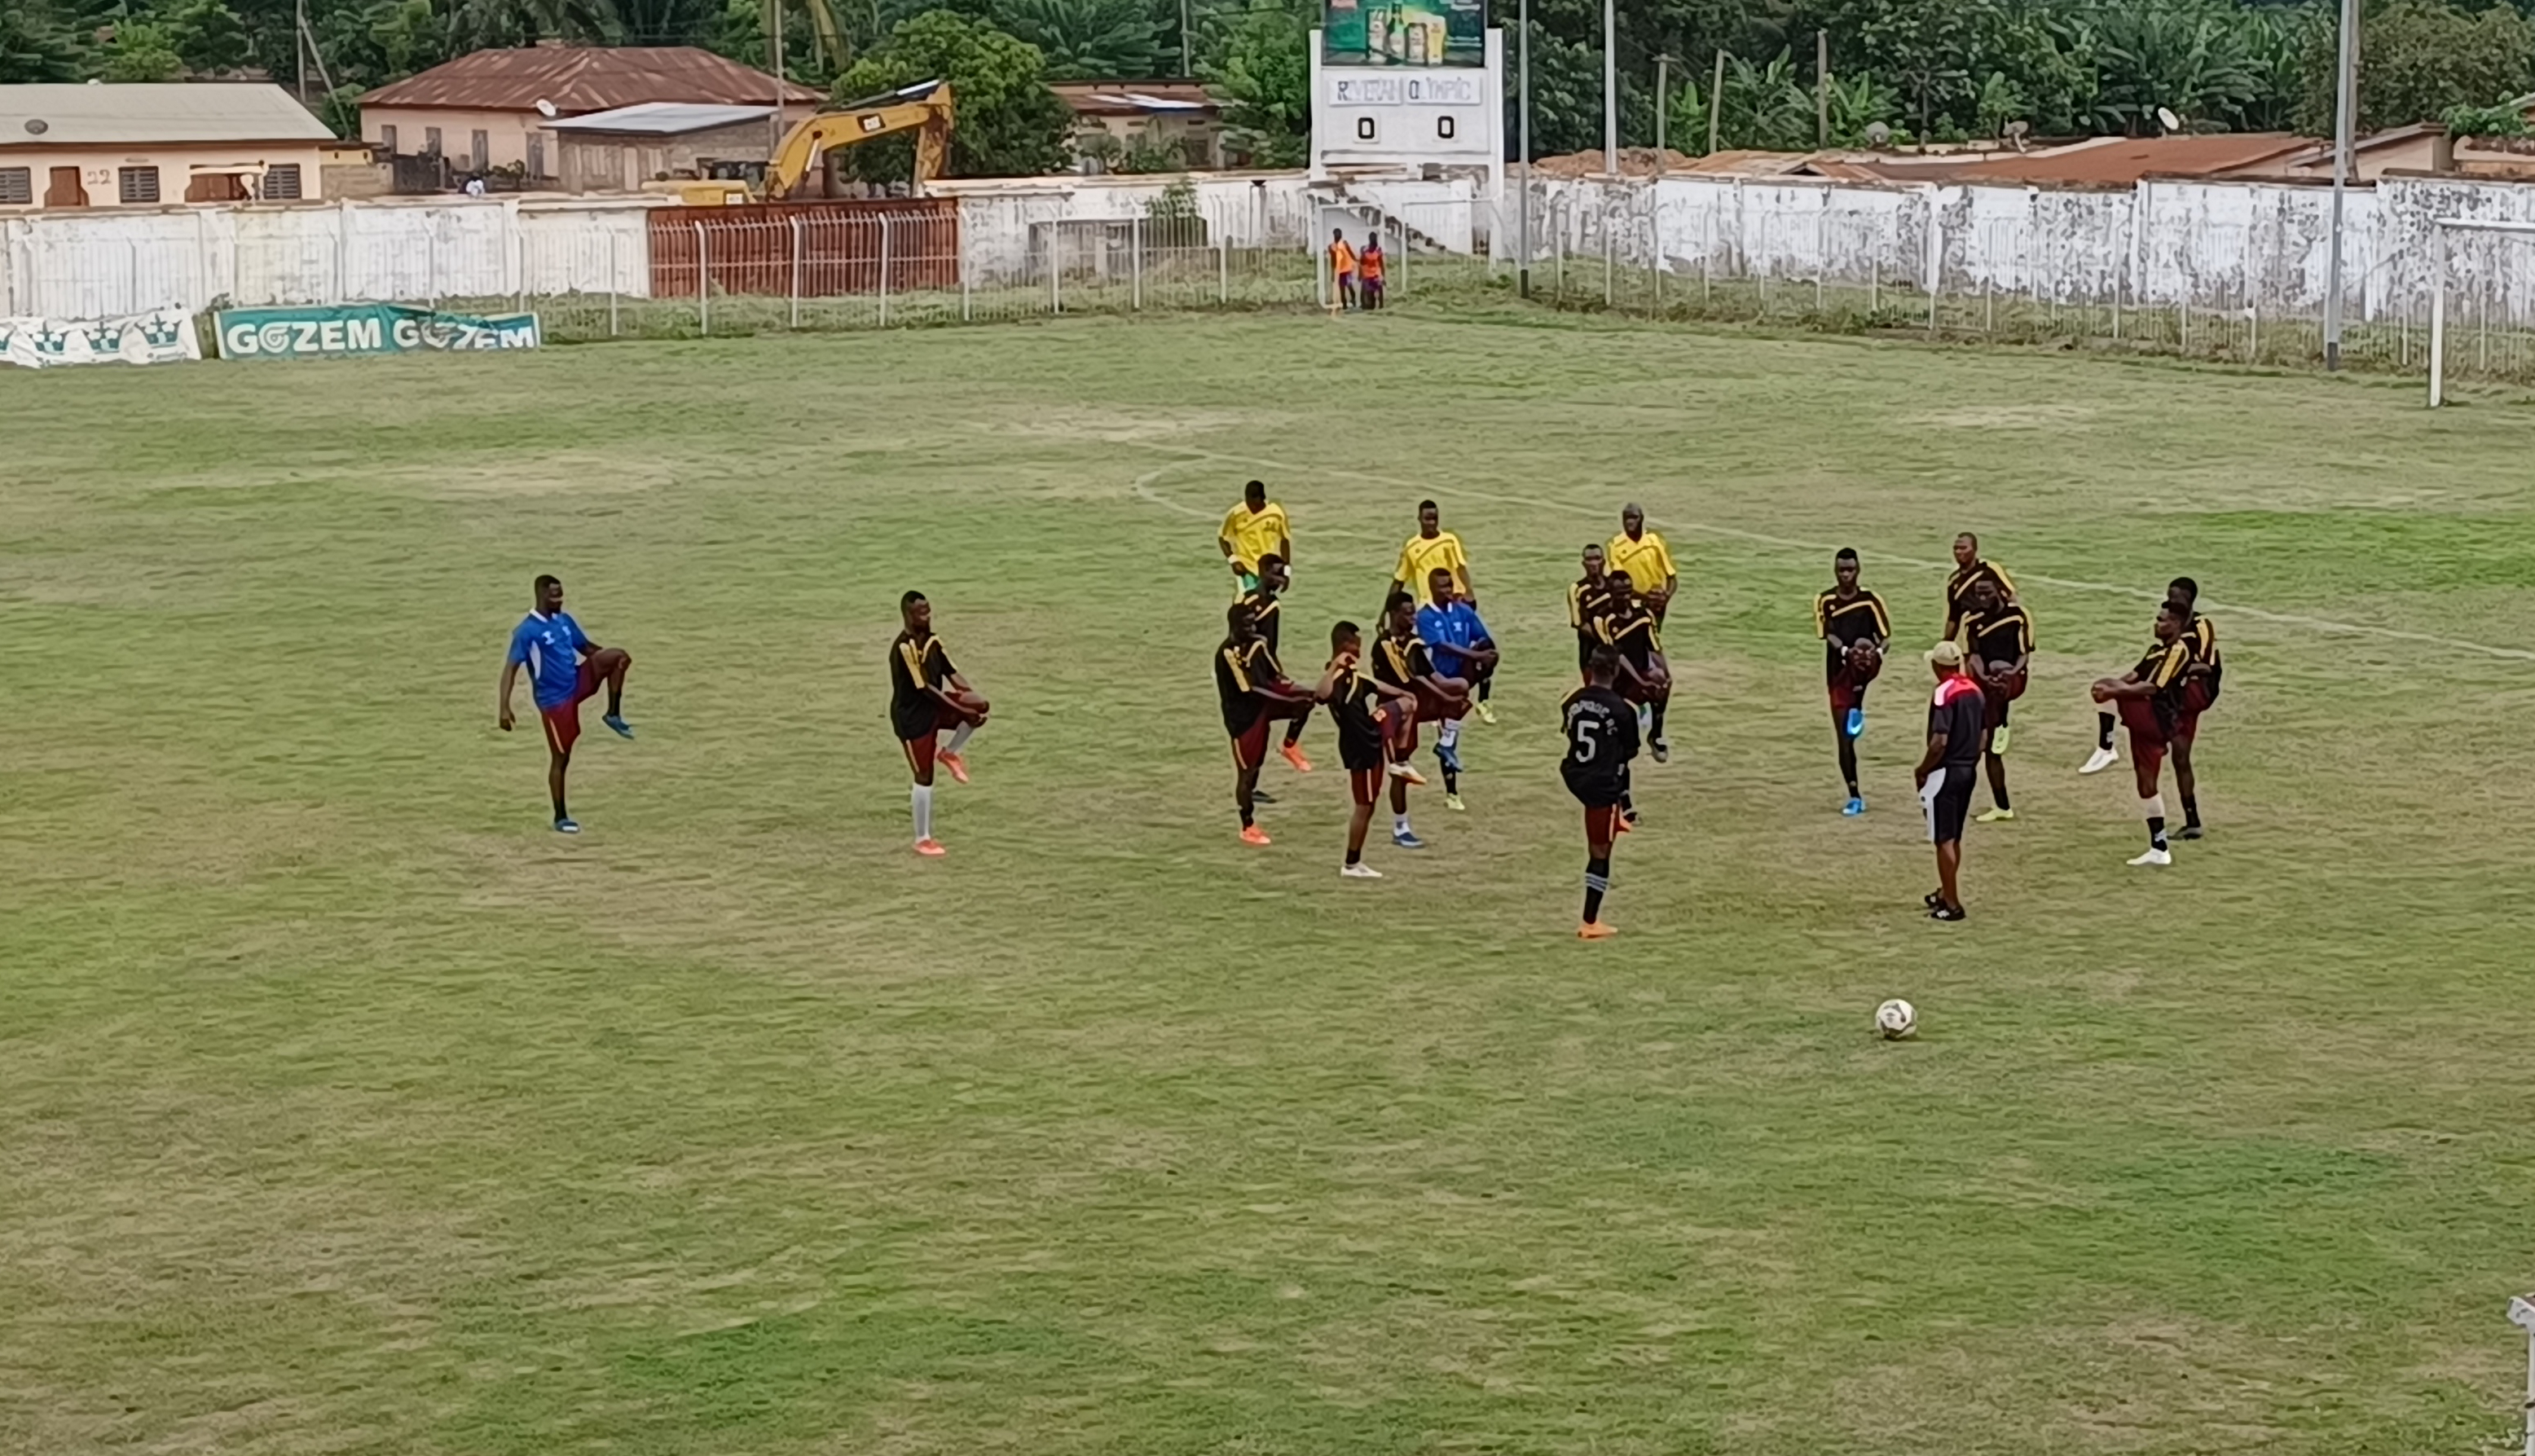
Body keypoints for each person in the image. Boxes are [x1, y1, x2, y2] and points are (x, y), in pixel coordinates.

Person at [497, 574, 633, 835]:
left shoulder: (565, 621)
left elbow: (588, 650)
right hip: (554, 700)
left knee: (618, 657)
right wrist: (504, 707)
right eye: (553, 595)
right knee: (562, 757)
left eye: (561, 594)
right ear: (540, 595)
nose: (559, 599)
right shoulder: (527, 632)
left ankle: (612, 715)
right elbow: (510, 670)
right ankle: (561, 817)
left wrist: (609, 663)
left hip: (577, 681)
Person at [2090, 600, 2193, 867]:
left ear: (2177, 625)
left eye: (2163, 620)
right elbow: (2135, 675)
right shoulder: (2156, 651)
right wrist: (2115, 686)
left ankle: (2107, 747)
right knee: (2147, 786)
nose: (2157, 624)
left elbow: (2152, 687)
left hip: (2156, 719)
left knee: (2106, 689)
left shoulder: (2178, 651)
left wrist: (2114, 691)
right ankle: (2159, 847)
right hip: (2146, 722)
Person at [887, 590, 989, 856]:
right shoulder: (904, 647)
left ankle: (949, 753)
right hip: (912, 717)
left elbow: (951, 672)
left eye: (928, 610)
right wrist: (961, 709)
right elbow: (926, 689)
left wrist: (970, 698)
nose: (927, 616)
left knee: (980, 709)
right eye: (921, 613)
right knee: (924, 776)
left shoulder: (933, 642)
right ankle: (922, 838)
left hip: (935, 707)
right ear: (908, 616)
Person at [1318, 620, 1419, 878]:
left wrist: (1406, 694)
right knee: (1364, 806)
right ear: (1346, 645)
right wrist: (1332, 668)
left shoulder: (1354, 677)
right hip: (1359, 747)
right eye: (1356, 644)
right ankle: (1351, 864)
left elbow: (1377, 686)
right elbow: (1321, 695)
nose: (1360, 649)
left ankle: (1400, 761)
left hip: (1371, 737)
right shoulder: (1338, 677)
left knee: (1406, 703)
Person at [1217, 600, 1318, 846]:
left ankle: (1289, 745)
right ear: (1233, 625)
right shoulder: (1227, 653)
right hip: (1243, 716)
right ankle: (1247, 825)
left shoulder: (1257, 644)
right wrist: (1286, 698)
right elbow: (1252, 691)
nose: (1252, 628)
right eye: (1246, 624)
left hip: (1264, 703)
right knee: (1247, 771)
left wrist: (1299, 692)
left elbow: (1275, 675)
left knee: (1306, 701)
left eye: (1253, 623)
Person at [1371, 590, 1464, 848]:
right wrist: (1444, 696)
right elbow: (1412, 678)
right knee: (1400, 770)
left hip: (1417, 701)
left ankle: (1446, 742)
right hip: (1396, 709)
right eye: (1408, 613)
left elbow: (1430, 675)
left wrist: (1452, 688)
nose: (1414, 617)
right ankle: (1401, 828)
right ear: (1393, 614)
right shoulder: (1385, 645)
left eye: (1414, 612)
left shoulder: (1413, 641)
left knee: (1461, 690)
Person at [1561, 646, 1641, 940]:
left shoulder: (1570, 700)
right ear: (1616, 671)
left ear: (1590, 668)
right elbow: (1630, 751)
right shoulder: (1623, 709)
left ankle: (1617, 814)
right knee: (1600, 852)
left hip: (1574, 773)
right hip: (1600, 786)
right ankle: (1590, 921)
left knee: (1614, 763)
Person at [1813, 548, 1890, 816]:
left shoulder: (1870, 600)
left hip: (1865, 670)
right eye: (1841, 570)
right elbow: (1828, 635)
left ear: (1858, 570)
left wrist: (1875, 654)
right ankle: (1854, 795)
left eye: (1851, 570)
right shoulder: (1825, 600)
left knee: (1851, 716)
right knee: (1844, 739)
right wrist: (1846, 651)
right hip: (1838, 672)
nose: (1846, 575)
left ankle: (1857, 707)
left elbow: (1885, 636)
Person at [1912, 641, 1985, 922]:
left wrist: (1922, 769)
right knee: (1954, 837)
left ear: (1937, 666)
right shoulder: (1975, 690)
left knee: (1943, 839)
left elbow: (1939, 741)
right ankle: (1946, 890)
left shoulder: (1943, 693)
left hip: (1945, 772)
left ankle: (1952, 904)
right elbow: (1983, 737)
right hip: (1968, 769)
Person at [1415, 567, 1499, 809]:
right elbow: (1441, 647)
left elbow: (1483, 639)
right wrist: (1475, 654)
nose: (1448, 591)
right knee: (1447, 736)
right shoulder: (1425, 617)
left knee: (1490, 651)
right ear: (1432, 588)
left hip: (1461, 678)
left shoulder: (1462, 611)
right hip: (1437, 680)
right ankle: (1450, 791)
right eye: (1443, 587)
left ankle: (1484, 700)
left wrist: (1486, 654)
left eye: (1450, 585)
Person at [1957, 574, 2033, 824]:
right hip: (1984, 682)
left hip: (2008, 680)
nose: (1982, 598)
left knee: (1988, 746)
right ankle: (2000, 804)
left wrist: (2010, 673)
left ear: (1999, 591)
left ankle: (1998, 725)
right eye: (1978, 594)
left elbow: (2024, 653)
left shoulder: (2017, 616)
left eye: (1986, 593)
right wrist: (1984, 677)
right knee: (1983, 747)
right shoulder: (1972, 620)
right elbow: (1973, 655)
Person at [1239, 554, 1315, 775]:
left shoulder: (1254, 600)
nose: (1280, 579)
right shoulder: (1265, 605)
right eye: (1275, 574)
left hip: (1257, 669)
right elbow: (1265, 645)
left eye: (1282, 575)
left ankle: (1288, 747)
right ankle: (1288, 746)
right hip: (1257, 673)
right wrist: (1276, 673)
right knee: (1306, 699)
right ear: (1262, 573)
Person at [1595, 569, 1671, 767]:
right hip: (1615, 676)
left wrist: (1666, 676)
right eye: (1620, 593)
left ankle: (1656, 733)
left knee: (1661, 680)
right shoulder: (1603, 618)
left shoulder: (1643, 615)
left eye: (1629, 591)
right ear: (1610, 593)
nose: (1626, 597)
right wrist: (1640, 680)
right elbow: (1616, 655)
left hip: (1641, 671)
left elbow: (1654, 647)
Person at [2168, 576, 2220, 839]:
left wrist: (2176, 670)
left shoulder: (2201, 625)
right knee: (2180, 758)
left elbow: (2207, 664)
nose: (2172, 600)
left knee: (2180, 755)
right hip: (2178, 695)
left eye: (2178, 596)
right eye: (2170, 595)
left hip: (2196, 692)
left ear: (2190, 599)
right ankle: (2192, 820)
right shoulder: (2171, 624)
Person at [1389, 499, 1473, 606]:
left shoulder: (1449, 540)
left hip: (1454, 599)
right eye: (1427, 519)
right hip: (1427, 604)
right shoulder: (1411, 546)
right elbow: (1399, 581)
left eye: (1434, 518)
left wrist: (1470, 594)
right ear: (1419, 519)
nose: (1432, 523)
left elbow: (1460, 568)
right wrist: (1386, 611)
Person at [1217, 478, 1292, 596]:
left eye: (1255, 500)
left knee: (1267, 608)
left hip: (1269, 572)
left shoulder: (1276, 514)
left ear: (1262, 497)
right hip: (1246, 570)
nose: (1251, 505)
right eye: (1248, 500)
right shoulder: (1236, 514)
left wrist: (1286, 572)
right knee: (1248, 605)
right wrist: (1233, 561)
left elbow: (1284, 540)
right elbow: (1222, 538)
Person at [1606, 504, 1678, 622]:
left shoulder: (1654, 541)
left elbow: (1671, 577)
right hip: (1633, 604)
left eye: (1634, 518)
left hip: (1657, 604)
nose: (1630, 522)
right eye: (1627, 518)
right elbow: (1618, 583)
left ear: (1642, 519)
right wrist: (1646, 598)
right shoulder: (1615, 546)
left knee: (1653, 636)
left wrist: (1666, 597)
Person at [1943, 532, 2017, 640]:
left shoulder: (1989, 569)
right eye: (1956, 548)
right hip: (1976, 634)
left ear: (1975, 549)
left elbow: (2012, 597)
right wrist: (1946, 642)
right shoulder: (1954, 581)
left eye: (1963, 548)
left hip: (2000, 628)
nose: (1959, 552)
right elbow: (1954, 617)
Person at [1568, 543, 1615, 681]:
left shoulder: (1613, 585)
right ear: (1583, 563)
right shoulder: (1577, 589)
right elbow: (1581, 625)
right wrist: (1606, 642)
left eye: (1597, 558)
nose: (1593, 563)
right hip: (1591, 652)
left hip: (1616, 651)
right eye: (1589, 559)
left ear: (1604, 561)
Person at [1327, 228, 1358, 310]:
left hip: (1348, 268)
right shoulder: (1331, 247)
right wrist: (1333, 272)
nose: (1338, 235)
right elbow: (1333, 260)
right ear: (1334, 235)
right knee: (1342, 288)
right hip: (1340, 270)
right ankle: (1344, 304)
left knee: (1349, 286)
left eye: (1339, 233)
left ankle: (1353, 299)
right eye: (1336, 233)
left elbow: (1350, 252)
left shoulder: (1344, 243)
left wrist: (1356, 260)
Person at [1358, 234, 1386, 309]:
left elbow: (1381, 264)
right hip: (1367, 275)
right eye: (1372, 238)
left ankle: (1381, 306)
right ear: (1369, 239)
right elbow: (1361, 263)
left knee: (1380, 288)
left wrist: (1383, 277)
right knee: (1371, 299)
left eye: (1374, 238)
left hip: (1376, 274)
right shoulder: (1365, 250)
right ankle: (1367, 305)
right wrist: (1360, 275)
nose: (1373, 239)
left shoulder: (1378, 250)